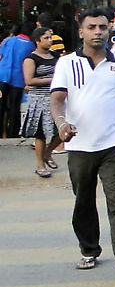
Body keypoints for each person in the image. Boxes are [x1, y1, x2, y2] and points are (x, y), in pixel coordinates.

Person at [49, 9, 115, 280]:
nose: (98, 32)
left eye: (102, 27)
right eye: (91, 27)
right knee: (83, 201)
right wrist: (61, 124)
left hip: (114, 145)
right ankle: (89, 249)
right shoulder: (67, 63)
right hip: (79, 146)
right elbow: (57, 99)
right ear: (81, 32)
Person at [21, 27, 62, 178]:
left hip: (56, 98)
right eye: (46, 38)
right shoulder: (31, 59)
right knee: (41, 134)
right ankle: (40, 164)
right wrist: (52, 80)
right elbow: (29, 80)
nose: (50, 40)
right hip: (39, 100)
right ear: (37, 41)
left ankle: (48, 153)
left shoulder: (55, 55)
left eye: (50, 37)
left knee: (62, 130)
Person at [0, 22, 35, 138]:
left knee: (1, 105)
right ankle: (13, 134)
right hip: (19, 78)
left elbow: (1, 56)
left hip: (3, 76)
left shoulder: (8, 41)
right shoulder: (30, 45)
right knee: (14, 107)